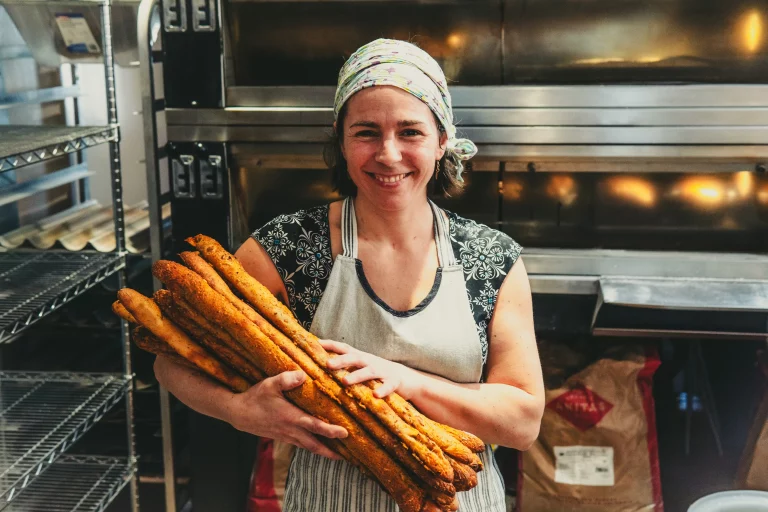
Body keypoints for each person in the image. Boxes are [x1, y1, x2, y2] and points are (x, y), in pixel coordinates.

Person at [154, 38, 544, 511]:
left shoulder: (491, 259)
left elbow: (522, 421)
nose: (388, 154)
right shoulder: (291, 249)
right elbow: (170, 359)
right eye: (366, 132)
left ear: (442, 141)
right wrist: (239, 411)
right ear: (340, 140)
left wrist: (401, 379)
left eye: (410, 132)